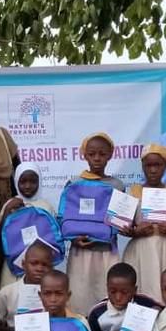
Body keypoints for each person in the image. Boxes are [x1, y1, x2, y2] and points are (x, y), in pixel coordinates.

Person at [64, 132, 126, 314]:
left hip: (107, 253)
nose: (97, 158)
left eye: (102, 154)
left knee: (107, 300)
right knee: (78, 298)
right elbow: (64, 217)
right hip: (80, 253)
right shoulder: (73, 183)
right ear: (84, 155)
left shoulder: (117, 185)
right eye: (92, 154)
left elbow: (122, 222)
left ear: (110, 155)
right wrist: (72, 238)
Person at [122, 144, 166, 298]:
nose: (153, 170)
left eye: (158, 165)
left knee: (162, 288)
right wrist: (135, 231)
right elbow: (125, 226)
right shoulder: (134, 191)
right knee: (141, 287)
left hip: (163, 247)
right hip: (140, 248)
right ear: (142, 166)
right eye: (148, 165)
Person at [0, 162, 56, 287]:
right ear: (16, 182)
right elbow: (1, 234)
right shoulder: (10, 204)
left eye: (33, 181)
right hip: (13, 263)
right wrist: (8, 210)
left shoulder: (46, 206)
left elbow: (53, 236)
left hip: (41, 266)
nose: (28, 186)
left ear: (39, 181)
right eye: (23, 182)